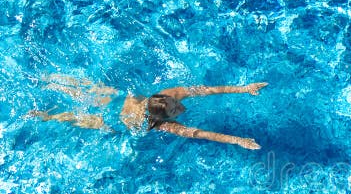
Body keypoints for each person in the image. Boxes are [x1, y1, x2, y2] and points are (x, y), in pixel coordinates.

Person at [29, 74, 266, 150]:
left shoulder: (168, 93)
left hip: (114, 100)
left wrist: (245, 88)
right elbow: (201, 134)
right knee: (75, 119)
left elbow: (207, 90)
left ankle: (49, 82)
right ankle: (43, 115)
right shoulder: (160, 125)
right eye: (175, 111)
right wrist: (238, 140)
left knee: (87, 91)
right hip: (112, 120)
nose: (180, 108)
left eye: (176, 105)